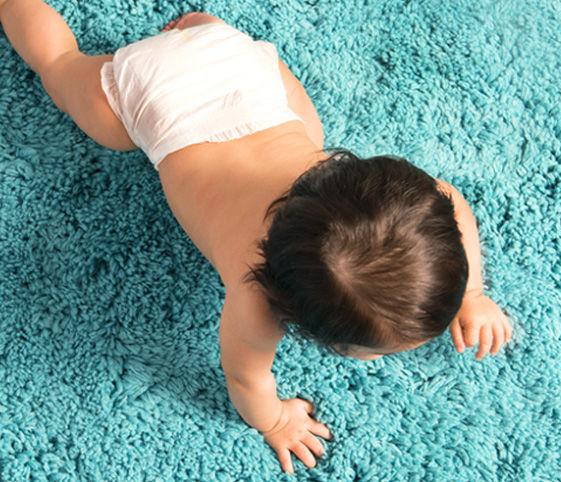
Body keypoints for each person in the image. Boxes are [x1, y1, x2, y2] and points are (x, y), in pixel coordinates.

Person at [0, 1, 513, 475]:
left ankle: (204, 33)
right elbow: (246, 379)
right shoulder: (255, 302)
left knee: (305, 130)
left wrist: (468, 293)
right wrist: (275, 421)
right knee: (61, 67)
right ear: (297, 318)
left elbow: (451, 199)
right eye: (374, 349)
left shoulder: (402, 194)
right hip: (153, 90)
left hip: (241, 67)